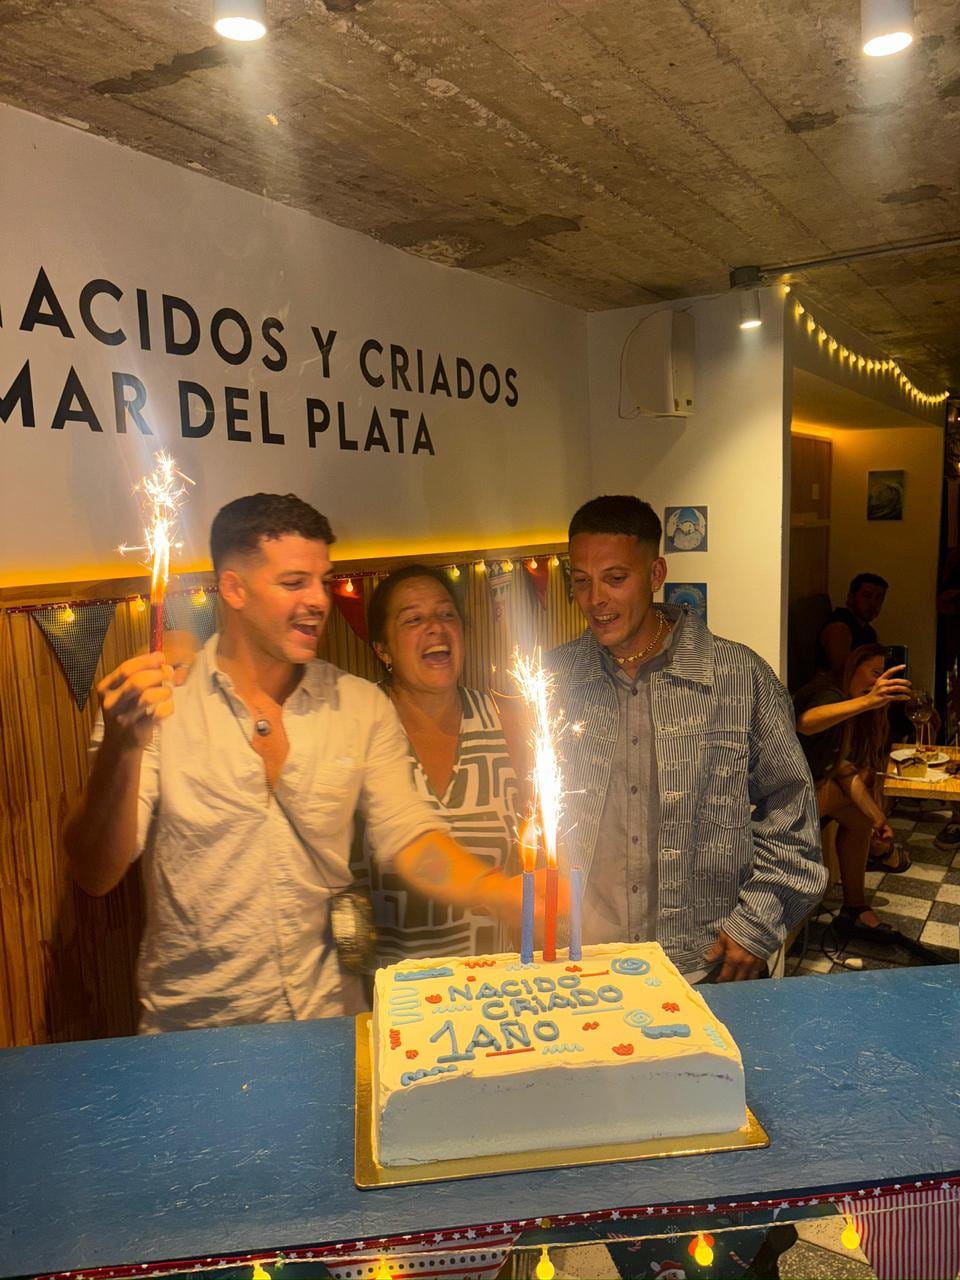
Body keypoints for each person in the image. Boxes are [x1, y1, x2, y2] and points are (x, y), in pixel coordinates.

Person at [63, 493, 539, 1033]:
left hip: (329, 1022)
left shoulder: (359, 706)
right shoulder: (159, 702)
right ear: (234, 588)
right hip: (194, 1034)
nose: (318, 600)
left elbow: (410, 841)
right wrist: (124, 748)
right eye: (294, 583)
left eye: (323, 580)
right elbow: (95, 872)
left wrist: (494, 891)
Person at [546, 494, 826, 983]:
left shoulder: (738, 676)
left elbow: (793, 812)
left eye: (615, 579)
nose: (596, 600)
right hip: (583, 968)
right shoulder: (556, 679)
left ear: (656, 575)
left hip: (703, 966)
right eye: (581, 581)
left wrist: (755, 925)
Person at [350, 564, 528, 964]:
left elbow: (540, 844)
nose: (435, 626)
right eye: (413, 619)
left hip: (491, 990)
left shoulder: (507, 720)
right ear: (383, 649)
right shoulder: (357, 725)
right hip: (392, 994)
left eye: (447, 614)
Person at [794, 644, 913, 939]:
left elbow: (843, 771)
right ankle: (881, 866)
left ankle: (855, 908)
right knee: (848, 793)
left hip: (811, 792)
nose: (879, 683)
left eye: (884, 676)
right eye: (874, 673)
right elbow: (805, 723)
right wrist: (867, 702)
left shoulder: (849, 706)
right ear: (853, 665)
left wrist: (878, 819)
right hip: (770, 796)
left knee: (861, 819)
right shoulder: (831, 692)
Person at [816, 572, 888, 684]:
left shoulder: (868, 631)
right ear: (851, 598)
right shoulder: (839, 627)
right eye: (867, 596)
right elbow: (842, 673)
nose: (873, 603)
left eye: (879, 598)